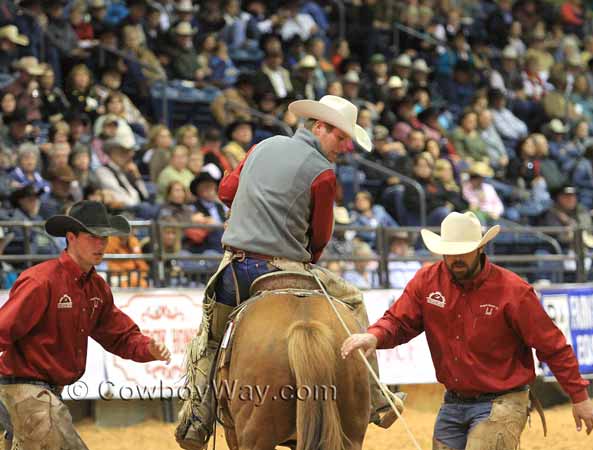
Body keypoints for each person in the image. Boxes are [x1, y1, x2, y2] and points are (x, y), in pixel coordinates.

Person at [176, 95, 401, 449]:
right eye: (340, 137)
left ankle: (197, 416)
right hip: (288, 265)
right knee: (353, 301)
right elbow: (321, 236)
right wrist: (303, 255)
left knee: (212, 335)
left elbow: (225, 192)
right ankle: (376, 396)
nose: (344, 147)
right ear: (318, 127)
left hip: (237, 268)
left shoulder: (261, 147)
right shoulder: (323, 173)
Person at [341, 211, 593, 450]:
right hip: (454, 400)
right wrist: (374, 335)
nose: (455, 259)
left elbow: (551, 346)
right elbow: (398, 321)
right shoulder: (426, 281)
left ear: (481, 248)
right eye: (449, 252)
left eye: (463, 251)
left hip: (503, 401)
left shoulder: (513, 291)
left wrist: (579, 396)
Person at [0, 200, 172, 450]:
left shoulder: (96, 288)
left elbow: (119, 335)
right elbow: (3, 327)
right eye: (93, 236)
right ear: (71, 237)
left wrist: (148, 349)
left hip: (40, 393)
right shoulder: (41, 281)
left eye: (104, 237)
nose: (101, 243)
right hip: (22, 388)